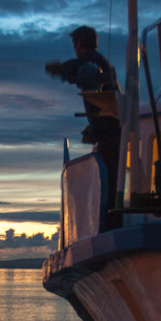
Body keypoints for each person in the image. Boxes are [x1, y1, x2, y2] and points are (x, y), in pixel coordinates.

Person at [45, 27, 121, 223]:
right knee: (110, 178)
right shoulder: (101, 61)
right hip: (109, 130)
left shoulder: (92, 62)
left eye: (75, 45)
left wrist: (60, 70)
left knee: (109, 181)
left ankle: (110, 221)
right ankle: (110, 219)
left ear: (79, 44)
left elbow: (81, 71)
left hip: (109, 134)